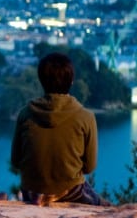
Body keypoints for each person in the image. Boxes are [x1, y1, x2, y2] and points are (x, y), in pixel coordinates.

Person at [11, 52, 111, 206]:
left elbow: (16, 161)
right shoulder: (86, 117)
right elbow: (89, 167)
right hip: (71, 191)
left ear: (41, 80)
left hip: (32, 192)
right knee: (107, 208)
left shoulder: (25, 114)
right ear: (71, 81)